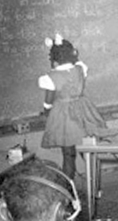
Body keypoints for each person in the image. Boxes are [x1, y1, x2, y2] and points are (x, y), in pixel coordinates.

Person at [38, 34, 105, 179]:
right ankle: (94, 185)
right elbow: (77, 61)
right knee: (86, 149)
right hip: (83, 110)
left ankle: (68, 186)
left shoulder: (51, 76)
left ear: (54, 58)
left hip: (63, 115)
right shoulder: (80, 68)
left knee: (68, 153)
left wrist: (46, 110)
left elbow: (49, 98)